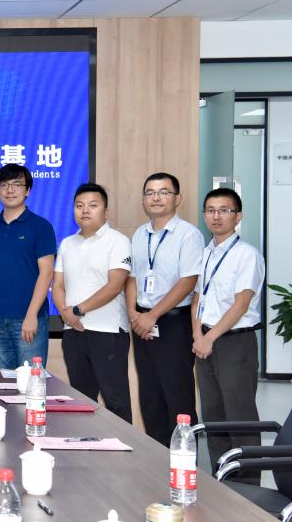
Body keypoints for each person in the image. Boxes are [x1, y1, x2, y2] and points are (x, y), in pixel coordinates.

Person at [191, 187, 265, 479]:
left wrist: (209, 338)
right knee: (213, 416)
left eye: (224, 210)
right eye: (210, 210)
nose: (216, 216)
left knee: (240, 416)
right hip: (205, 342)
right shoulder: (206, 253)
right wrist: (198, 336)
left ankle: (249, 487)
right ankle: (221, 481)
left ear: (238, 216)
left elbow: (241, 304)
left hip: (235, 342)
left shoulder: (247, 255)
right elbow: (198, 297)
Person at [125, 173, 203, 446]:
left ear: (177, 198)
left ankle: (184, 462)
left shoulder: (188, 235)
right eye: (150, 192)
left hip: (173, 323)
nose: (156, 198)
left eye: (163, 192)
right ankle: (157, 460)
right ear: (144, 199)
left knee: (177, 396)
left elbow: (188, 281)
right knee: (150, 396)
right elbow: (132, 278)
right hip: (141, 322)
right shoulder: (139, 234)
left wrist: (152, 315)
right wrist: (134, 315)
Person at [52, 183, 133, 423]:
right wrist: (66, 314)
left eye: (92, 205)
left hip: (108, 333)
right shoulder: (67, 243)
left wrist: (77, 310)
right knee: (80, 401)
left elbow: (114, 286)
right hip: (74, 333)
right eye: (79, 205)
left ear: (105, 212)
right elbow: (58, 285)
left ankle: (124, 447)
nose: (85, 210)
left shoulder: (118, 241)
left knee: (116, 401)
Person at [0, 164, 56, 369]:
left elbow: (46, 273)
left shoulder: (41, 226)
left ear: (27, 190)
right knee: (1, 380)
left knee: (30, 381)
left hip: (28, 319)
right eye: (4, 185)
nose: (10, 190)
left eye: (17, 184)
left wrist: (31, 315)